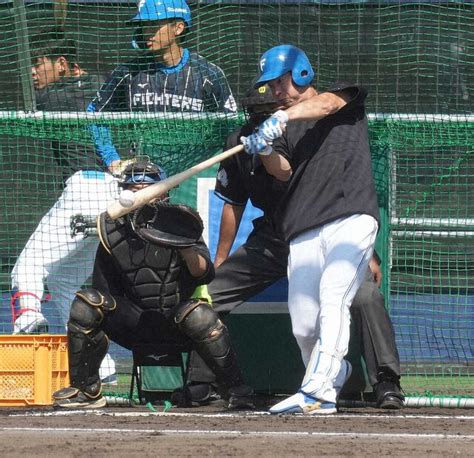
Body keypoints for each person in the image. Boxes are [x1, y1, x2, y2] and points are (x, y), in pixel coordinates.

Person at [180, 84, 403, 410]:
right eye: (255, 113)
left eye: (267, 112)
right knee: (211, 292)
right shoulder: (240, 143)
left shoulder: (312, 130)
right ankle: (203, 383)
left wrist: (369, 252)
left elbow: (343, 195)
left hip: (326, 230)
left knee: (366, 295)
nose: (260, 118)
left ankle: (386, 382)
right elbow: (233, 204)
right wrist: (221, 257)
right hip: (272, 240)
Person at [241, 45, 381, 415]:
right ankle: (337, 372)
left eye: (278, 82)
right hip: (303, 227)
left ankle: (318, 392)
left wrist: (282, 120)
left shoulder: (342, 97)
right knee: (304, 327)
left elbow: (325, 106)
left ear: (302, 73)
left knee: (334, 295)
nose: (274, 92)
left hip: (351, 216)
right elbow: (283, 171)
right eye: (268, 86)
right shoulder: (281, 124)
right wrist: (265, 148)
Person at [52, 160, 253, 409]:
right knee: (87, 303)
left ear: (163, 193)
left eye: (147, 190)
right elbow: (103, 290)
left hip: (175, 321)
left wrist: (184, 244)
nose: (140, 197)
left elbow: (203, 274)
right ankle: (86, 389)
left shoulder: (180, 221)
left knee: (199, 314)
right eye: (133, 191)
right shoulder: (111, 230)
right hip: (131, 323)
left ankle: (235, 390)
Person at [10, 32, 118, 382]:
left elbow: (50, 97)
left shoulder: (53, 96)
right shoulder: (106, 86)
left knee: (27, 269)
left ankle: (26, 328)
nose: (32, 72)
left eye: (38, 64)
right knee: (64, 279)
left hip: (85, 189)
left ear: (61, 64)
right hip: (113, 197)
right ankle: (101, 367)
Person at [86, 0, 237, 175]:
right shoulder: (128, 72)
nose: (147, 33)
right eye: (144, 25)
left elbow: (231, 126)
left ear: (178, 28)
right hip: (143, 176)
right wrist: (112, 159)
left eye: (154, 25)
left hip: (195, 177)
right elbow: (94, 113)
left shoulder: (208, 74)